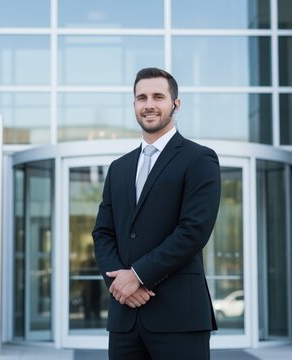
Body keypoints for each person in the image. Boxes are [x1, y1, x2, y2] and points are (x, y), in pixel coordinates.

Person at [92, 67, 221, 359]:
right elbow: (103, 233)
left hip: (178, 317)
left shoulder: (199, 158)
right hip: (126, 317)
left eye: (158, 96)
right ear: (134, 105)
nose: (149, 104)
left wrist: (138, 275)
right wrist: (119, 284)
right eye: (141, 98)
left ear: (175, 104)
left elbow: (193, 231)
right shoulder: (119, 168)